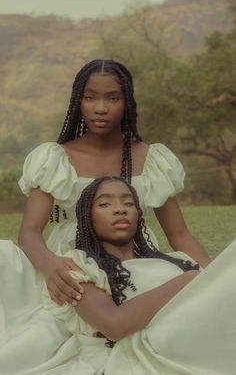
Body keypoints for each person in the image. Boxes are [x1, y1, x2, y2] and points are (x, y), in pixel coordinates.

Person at [10, 58, 209, 306]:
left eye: (113, 98)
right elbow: (29, 232)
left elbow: (180, 235)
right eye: (90, 97)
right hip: (71, 266)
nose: (101, 108)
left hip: (134, 261)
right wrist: (51, 266)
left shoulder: (152, 158)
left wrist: (213, 279)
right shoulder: (55, 158)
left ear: (127, 103)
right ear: (77, 103)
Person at [0, 176, 235, 375]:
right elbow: (114, 323)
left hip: (197, 332)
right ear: (87, 218)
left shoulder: (175, 260)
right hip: (150, 347)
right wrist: (189, 281)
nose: (120, 208)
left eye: (129, 203)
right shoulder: (82, 266)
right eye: (104, 204)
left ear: (138, 214)